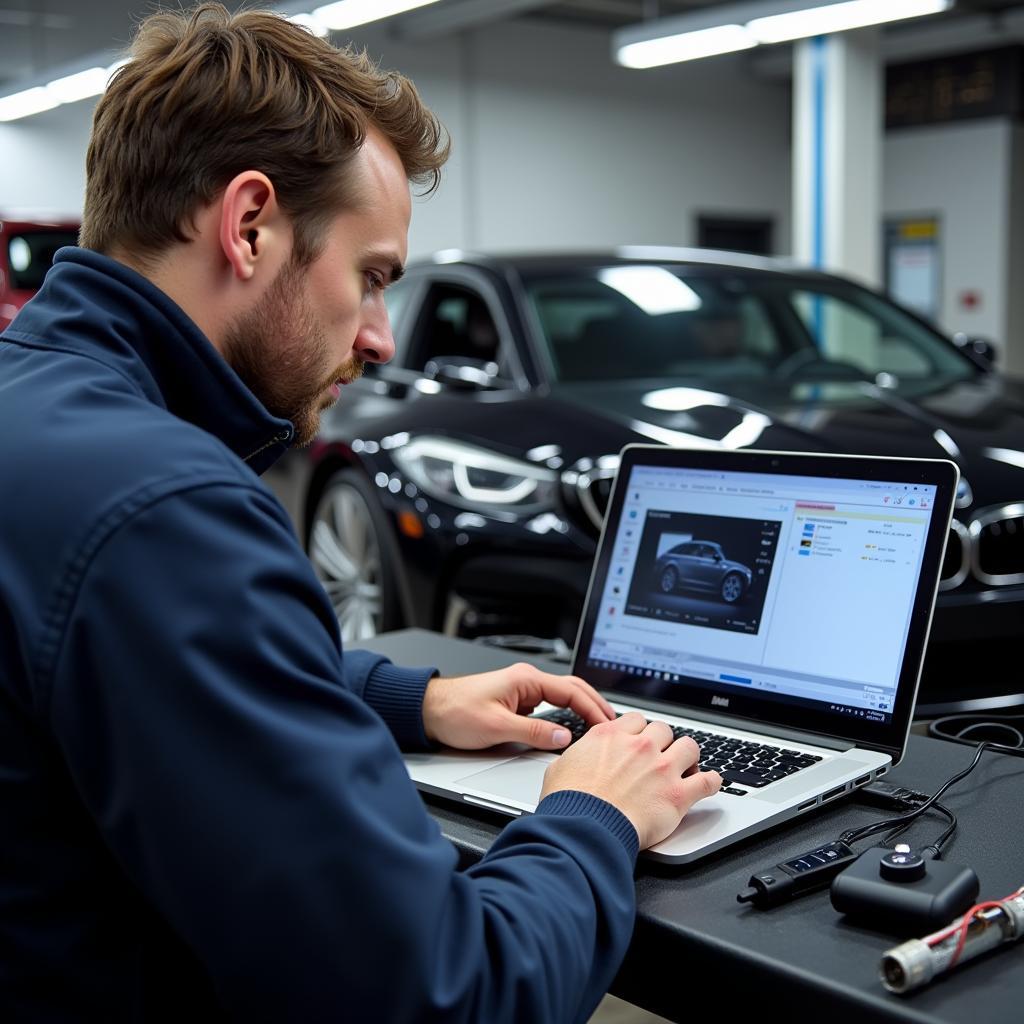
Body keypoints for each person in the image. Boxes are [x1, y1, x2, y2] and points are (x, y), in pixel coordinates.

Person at [0, 5, 720, 1021]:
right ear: (250, 225)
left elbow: (100, 662)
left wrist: (410, 702)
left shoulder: (34, 414)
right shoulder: (165, 510)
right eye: (372, 277)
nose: (381, 338)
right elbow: (446, 994)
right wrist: (593, 815)